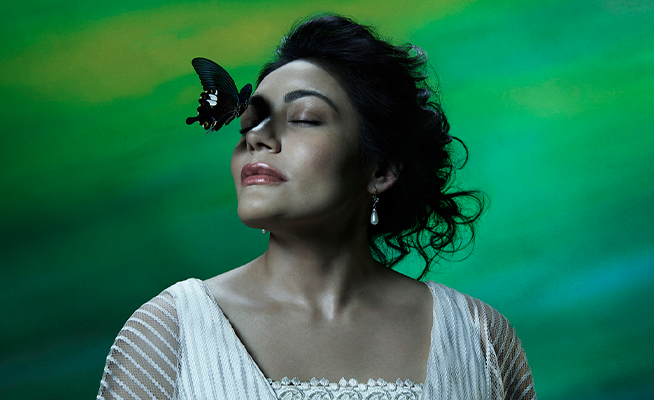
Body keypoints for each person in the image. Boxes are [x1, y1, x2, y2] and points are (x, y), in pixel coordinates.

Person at [97, 14, 536, 400]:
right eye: (252, 122)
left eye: (304, 118)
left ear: (381, 170)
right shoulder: (169, 334)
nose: (255, 139)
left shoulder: (480, 340)